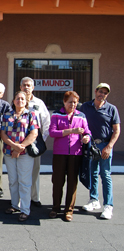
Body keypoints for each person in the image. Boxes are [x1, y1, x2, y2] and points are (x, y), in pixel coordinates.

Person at [49, 91, 91, 221]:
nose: (72, 105)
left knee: (72, 182)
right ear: (64, 102)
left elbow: (87, 131)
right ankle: (56, 208)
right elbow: (52, 132)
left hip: (75, 153)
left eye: (75, 102)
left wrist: (86, 137)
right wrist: (71, 131)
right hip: (59, 153)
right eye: (70, 102)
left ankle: (69, 210)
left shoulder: (81, 116)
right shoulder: (56, 114)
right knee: (57, 181)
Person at [80, 83, 120, 219]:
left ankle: (108, 206)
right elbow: (80, 124)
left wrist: (109, 146)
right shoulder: (85, 107)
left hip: (105, 145)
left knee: (105, 174)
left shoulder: (112, 109)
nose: (102, 94)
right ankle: (94, 200)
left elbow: (116, 130)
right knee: (93, 173)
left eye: (105, 93)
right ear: (96, 91)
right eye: (100, 91)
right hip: (91, 145)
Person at [1, 91, 38, 222]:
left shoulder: (31, 115)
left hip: (25, 153)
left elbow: (34, 133)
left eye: (22, 99)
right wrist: (13, 146)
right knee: (13, 180)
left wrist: (20, 147)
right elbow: (3, 134)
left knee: (24, 182)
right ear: (14, 100)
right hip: (9, 152)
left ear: (26, 101)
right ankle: (14, 205)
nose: (20, 101)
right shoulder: (6, 115)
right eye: (17, 98)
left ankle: (25, 210)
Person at [20, 77, 50, 207]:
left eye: (29, 85)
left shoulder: (39, 103)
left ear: (33, 88)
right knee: (21, 172)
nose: (26, 87)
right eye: (24, 85)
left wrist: (40, 140)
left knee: (35, 170)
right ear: (20, 87)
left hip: (35, 143)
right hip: (20, 144)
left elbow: (46, 123)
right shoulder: (17, 101)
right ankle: (21, 199)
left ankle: (34, 197)